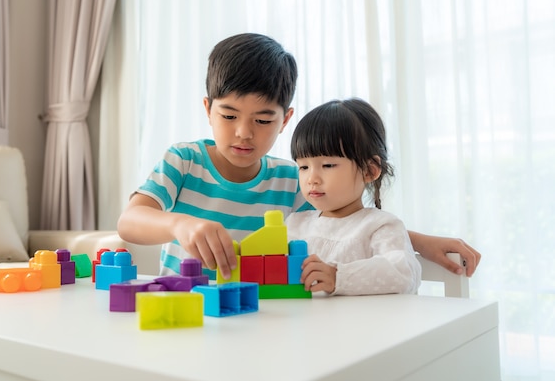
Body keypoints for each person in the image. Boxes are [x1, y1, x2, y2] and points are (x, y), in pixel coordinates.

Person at [116, 32, 481, 281]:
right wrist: (179, 225)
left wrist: (421, 242)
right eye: (228, 116)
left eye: (263, 120)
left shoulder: (294, 178)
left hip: (260, 320)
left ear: (286, 119)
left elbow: (345, 225)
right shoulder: (184, 160)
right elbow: (130, 222)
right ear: (207, 110)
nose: (244, 132)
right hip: (184, 312)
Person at [286, 98, 420, 295]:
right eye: (304, 167)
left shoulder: (379, 225)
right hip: (308, 324)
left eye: (328, 165)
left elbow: (404, 272)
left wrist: (338, 276)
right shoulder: (295, 224)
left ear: (369, 171)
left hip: (363, 325)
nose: (311, 179)